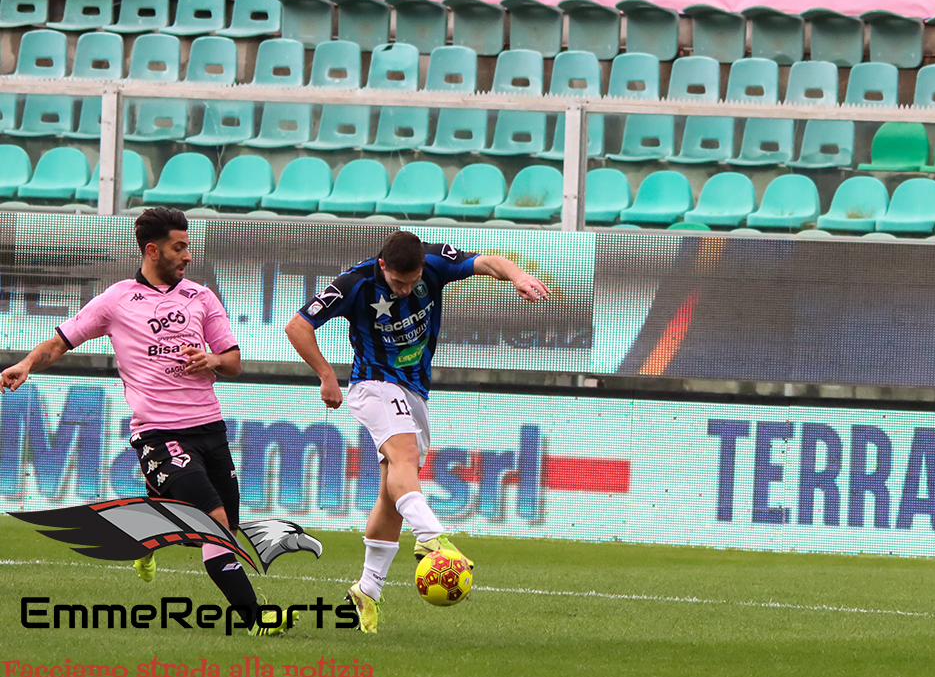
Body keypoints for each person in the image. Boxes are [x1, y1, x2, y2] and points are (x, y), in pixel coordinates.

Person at [0, 208, 287, 635]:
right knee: (217, 525)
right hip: (157, 432)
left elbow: (233, 362)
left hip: (210, 429)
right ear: (152, 251)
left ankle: (146, 529)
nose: (188, 256)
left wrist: (213, 359)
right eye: (179, 247)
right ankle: (258, 620)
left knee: (225, 526)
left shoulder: (201, 298)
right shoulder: (116, 300)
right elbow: (61, 340)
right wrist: (25, 364)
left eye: (188, 246)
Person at [285, 230, 549, 634]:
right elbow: (297, 326)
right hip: (372, 385)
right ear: (382, 266)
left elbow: (488, 261)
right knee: (405, 459)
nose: (406, 290)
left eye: (413, 282)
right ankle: (432, 538)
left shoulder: (435, 262)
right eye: (397, 283)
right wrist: (326, 376)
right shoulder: (354, 284)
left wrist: (516, 276)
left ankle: (366, 591)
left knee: (393, 492)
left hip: (415, 391)